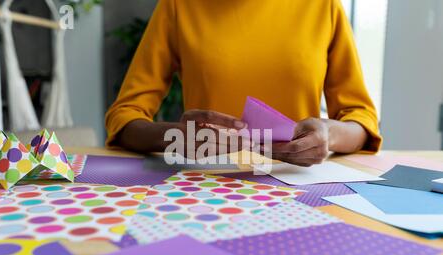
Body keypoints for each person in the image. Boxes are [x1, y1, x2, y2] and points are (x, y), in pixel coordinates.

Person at [105, 0, 382, 167]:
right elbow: (125, 116)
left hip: (299, 183)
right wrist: (173, 137)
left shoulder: (323, 6)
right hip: (202, 186)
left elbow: (361, 119)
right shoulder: (179, 5)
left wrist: (328, 135)